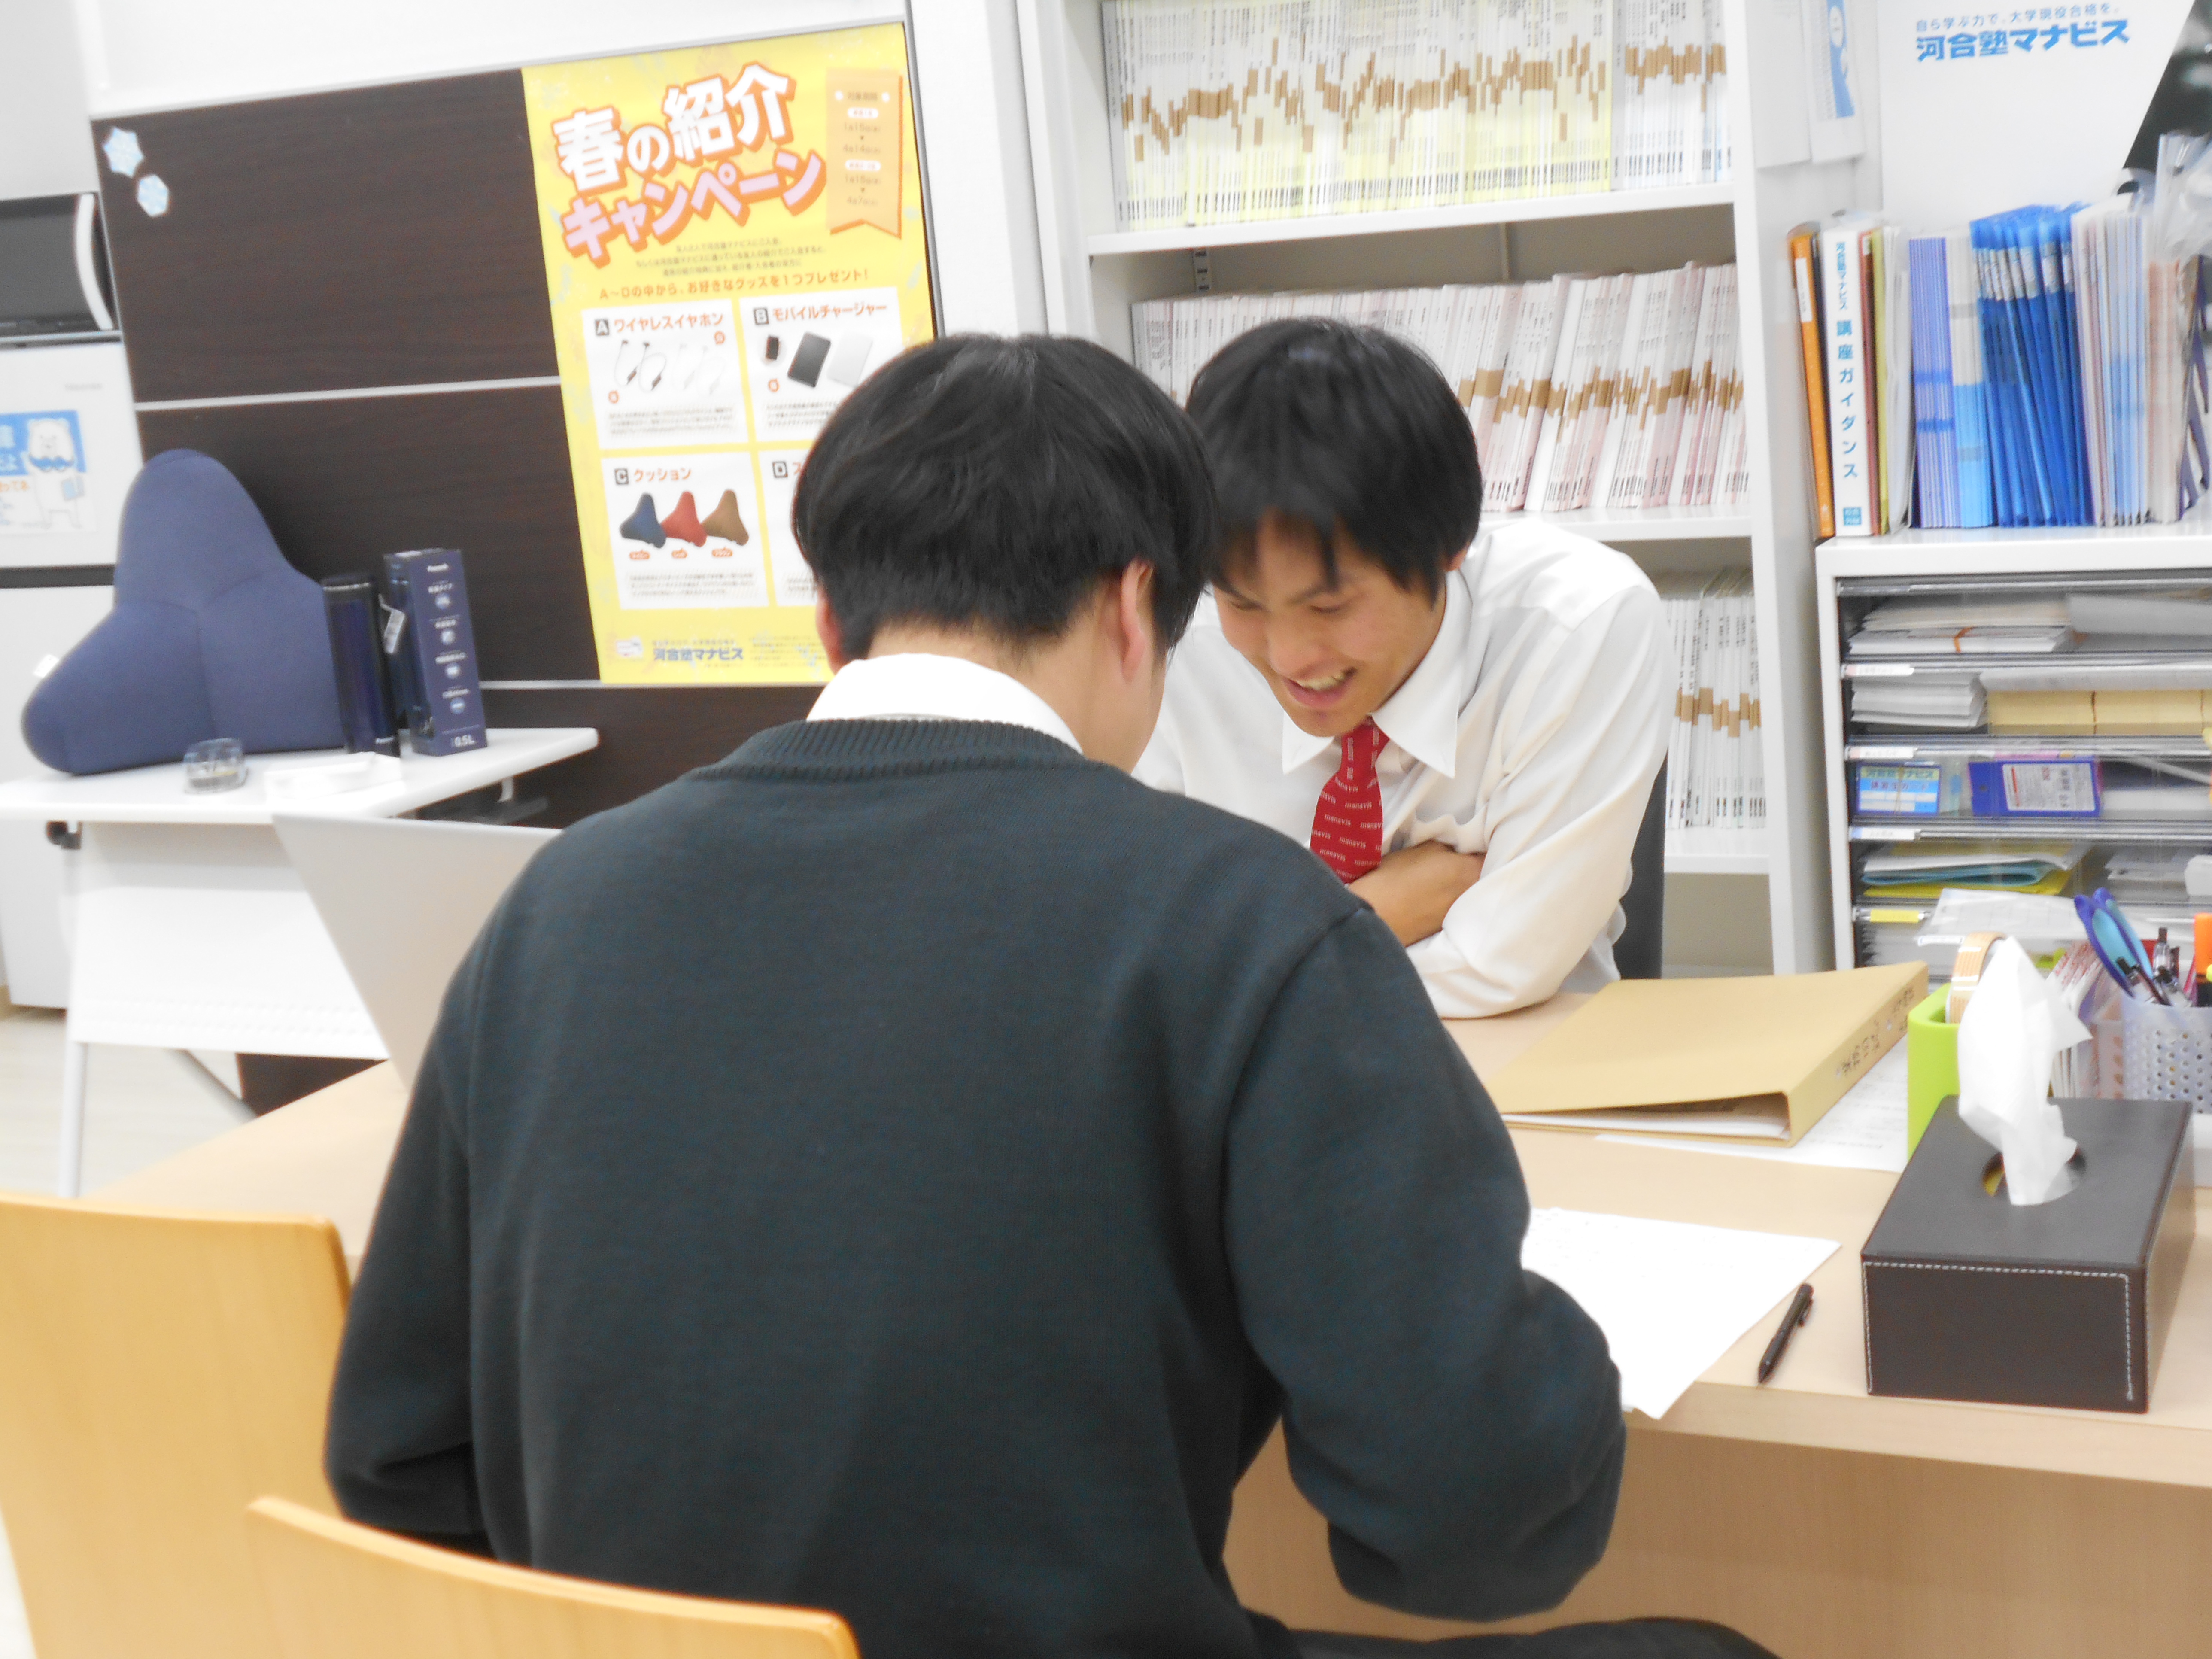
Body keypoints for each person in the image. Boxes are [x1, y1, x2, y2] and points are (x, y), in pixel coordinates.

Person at [324, 334, 1772, 1659]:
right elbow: (1474, 1521)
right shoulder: (1239, 926)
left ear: (828, 618)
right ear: (1141, 605)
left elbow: (394, 1464)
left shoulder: (557, 905)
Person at [1136, 319, 1671, 1018]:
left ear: (1450, 545)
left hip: (1525, 1061)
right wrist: (1379, 911)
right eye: (1243, 604)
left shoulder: (1579, 623)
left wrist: (1246, 976)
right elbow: (1137, 961)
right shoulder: (1174, 642)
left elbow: (1503, 967)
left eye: (1329, 606)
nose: (1290, 657)